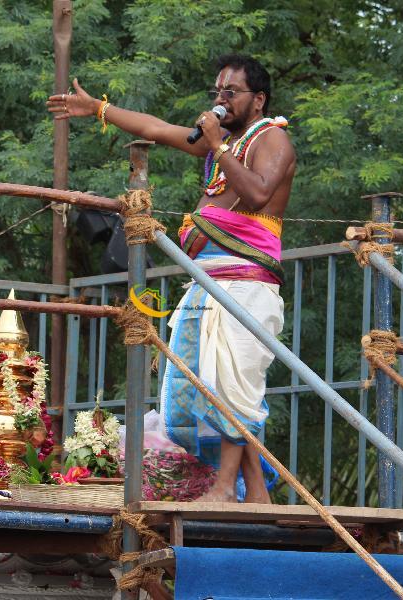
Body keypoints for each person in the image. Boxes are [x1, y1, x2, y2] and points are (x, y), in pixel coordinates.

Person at [48, 54, 294, 503]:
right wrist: (99, 110)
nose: (221, 100)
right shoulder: (225, 144)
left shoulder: (272, 139)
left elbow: (258, 193)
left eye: (231, 93)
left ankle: (223, 489)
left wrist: (218, 146)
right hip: (207, 282)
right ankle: (258, 493)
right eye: (217, 92)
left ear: (258, 100)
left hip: (247, 284)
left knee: (233, 386)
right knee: (199, 384)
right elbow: (157, 128)